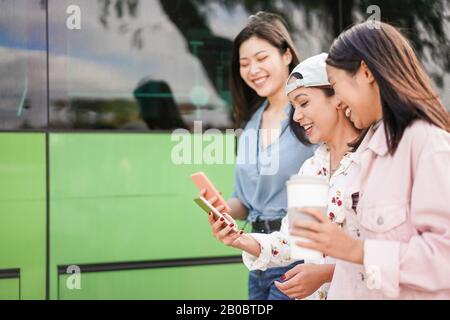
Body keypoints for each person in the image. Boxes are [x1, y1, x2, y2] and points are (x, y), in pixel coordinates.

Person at [292, 21, 450, 299]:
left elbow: (444, 258)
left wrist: (355, 250)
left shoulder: (427, 143)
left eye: (335, 86)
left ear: (365, 72)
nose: (338, 102)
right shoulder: (367, 149)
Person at [207, 53, 361, 300]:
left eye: (304, 103)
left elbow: (394, 257)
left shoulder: (375, 162)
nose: (297, 117)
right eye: (294, 107)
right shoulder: (311, 168)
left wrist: (326, 274)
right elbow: (293, 241)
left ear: (338, 97)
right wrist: (241, 239)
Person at [199, 12, 316, 300]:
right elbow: (246, 201)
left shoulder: (309, 113)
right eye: (244, 63)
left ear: (287, 54)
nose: (253, 70)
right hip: (258, 260)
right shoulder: (251, 121)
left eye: (261, 58)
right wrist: (223, 210)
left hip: (299, 258)